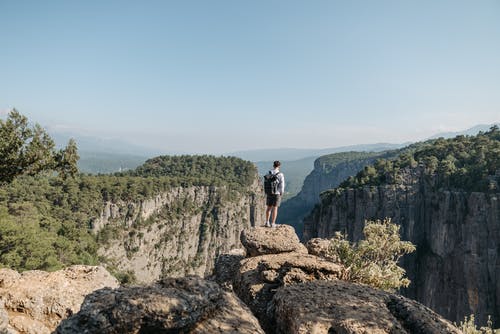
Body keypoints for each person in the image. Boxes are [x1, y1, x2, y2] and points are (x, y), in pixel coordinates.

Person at [265, 160, 285, 228]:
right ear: (279, 166)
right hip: (277, 193)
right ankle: (273, 223)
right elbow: (282, 185)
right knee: (275, 208)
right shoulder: (280, 174)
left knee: (268, 208)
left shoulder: (269, 172)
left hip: (269, 192)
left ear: (273, 165)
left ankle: (267, 222)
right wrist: (281, 193)